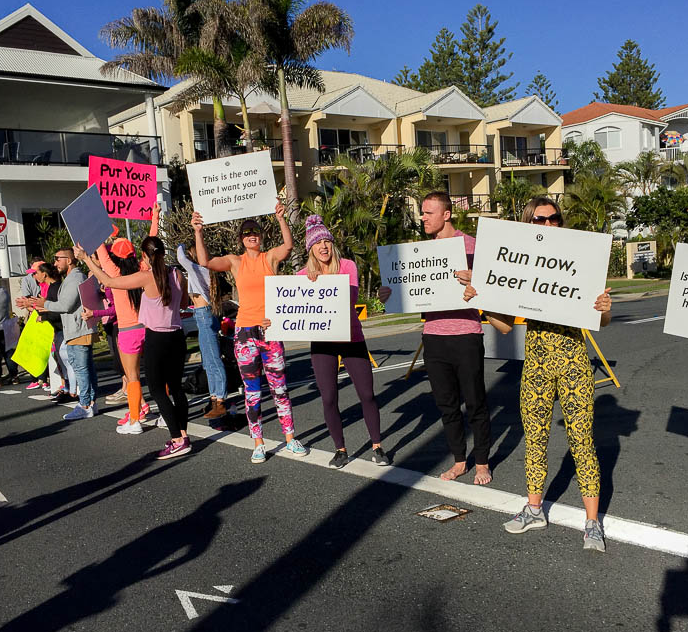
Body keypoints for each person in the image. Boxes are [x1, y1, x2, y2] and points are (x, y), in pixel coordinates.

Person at [465, 197, 612, 552]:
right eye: (540, 219)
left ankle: (593, 523)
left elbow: (601, 320)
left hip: (574, 362)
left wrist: (605, 309)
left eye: (554, 218)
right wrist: (479, 300)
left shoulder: (580, 260)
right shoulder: (521, 266)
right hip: (536, 365)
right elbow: (502, 327)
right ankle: (534, 509)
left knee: (582, 441)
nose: (548, 224)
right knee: (535, 439)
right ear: (528, 224)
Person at [378, 191, 491, 485]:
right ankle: (459, 461)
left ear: (447, 214)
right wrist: (389, 296)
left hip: (466, 335)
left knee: (475, 401)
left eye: (429, 212)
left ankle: (482, 463)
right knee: (447, 404)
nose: (423, 218)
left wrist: (476, 282)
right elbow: (411, 292)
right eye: (423, 213)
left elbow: (494, 288)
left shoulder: (473, 247)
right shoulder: (423, 255)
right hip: (433, 337)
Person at [269, 214, 389, 469]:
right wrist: (273, 320)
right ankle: (340, 449)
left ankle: (377, 446)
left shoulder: (347, 266)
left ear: (331, 244)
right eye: (317, 243)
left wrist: (323, 285)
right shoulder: (302, 275)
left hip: (351, 338)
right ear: (310, 248)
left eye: (326, 241)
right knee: (329, 397)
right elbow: (289, 309)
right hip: (322, 343)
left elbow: (348, 299)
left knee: (367, 394)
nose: (323, 246)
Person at [191, 204, 308, 464]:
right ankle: (258, 443)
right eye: (246, 233)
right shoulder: (236, 261)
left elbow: (288, 246)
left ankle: (290, 437)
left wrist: (281, 219)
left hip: (270, 331)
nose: (251, 235)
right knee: (252, 391)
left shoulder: (270, 258)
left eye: (255, 231)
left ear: (262, 236)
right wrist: (198, 232)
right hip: (244, 333)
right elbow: (205, 262)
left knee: (280, 388)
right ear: (241, 239)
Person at [76, 237, 192, 459]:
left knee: (158, 390)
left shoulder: (146, 277)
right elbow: (185, 304)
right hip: (177, 336)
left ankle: (177, 439)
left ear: (145, 256)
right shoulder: (176, 274)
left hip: (157, 338)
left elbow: (109, 282)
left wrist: (86, 260)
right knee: (176, 388)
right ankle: (183, 435)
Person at [85, 231, 153, 434]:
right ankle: (151, 411)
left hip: (127, 331)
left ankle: (135, 419)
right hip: (147, 327)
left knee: (132, 377)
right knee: (157, 374)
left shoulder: (113, 273)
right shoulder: (142, 270)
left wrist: (87, 255)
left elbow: (101, 255)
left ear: (115, 257)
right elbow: (151, 241)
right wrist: (155, 217)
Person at [29, 249, 97, 420]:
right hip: (73, 329)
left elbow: (65, 305)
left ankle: (86, 404)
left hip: (78, 329)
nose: (55, 263)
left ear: (69, 260)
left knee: (82, 369)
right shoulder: (71, 278)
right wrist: (42, 305)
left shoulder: (75, 278)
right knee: (84, 368)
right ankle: (89, 403)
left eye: (58, 259)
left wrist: (45, 304)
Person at [177, 241, 229, 421]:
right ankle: (214, 398)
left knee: (213, 359)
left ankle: (220, 399)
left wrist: (181, 244)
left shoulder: (199, 269)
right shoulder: (198, 271)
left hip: (204, 315)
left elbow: (180, 257)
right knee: (208, 361)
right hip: (202, 315)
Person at [18, 257, 49, 390]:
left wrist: (32, 306)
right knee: (34, 348)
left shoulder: (49, 283)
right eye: (32, 273)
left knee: (44, 349)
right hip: (35, 315)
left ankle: (44, 378)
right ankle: (38, 377)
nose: (34, 275)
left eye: (35, 272)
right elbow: (27, 299)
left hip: (43, 317)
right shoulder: (30, 280)